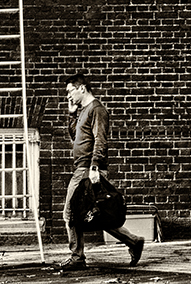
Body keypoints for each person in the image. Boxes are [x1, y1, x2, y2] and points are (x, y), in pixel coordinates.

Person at [58, 73, 145, 272]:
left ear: (82, 88)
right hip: (83, 167)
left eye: (70, 91)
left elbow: (100, 139)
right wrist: (72, 114)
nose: (68, 96)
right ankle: (134, 241)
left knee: (70, 214)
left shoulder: (97, 110)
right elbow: (75, 136)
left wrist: (94, 167)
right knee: (95, 214)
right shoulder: (83, 111)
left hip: (87, 170)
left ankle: (77, 257)